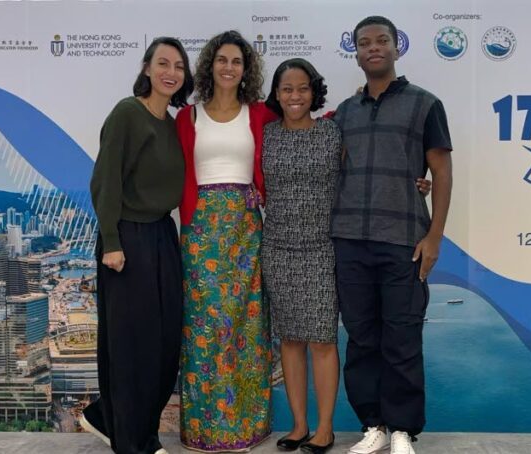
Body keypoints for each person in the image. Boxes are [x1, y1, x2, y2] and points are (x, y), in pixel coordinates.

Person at [330, 16, 453, 454]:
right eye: (364, 43)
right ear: (356, 52)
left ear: (396, 47)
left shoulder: (425, 104)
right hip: (349, 239)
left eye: (381, 40)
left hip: (404, 238)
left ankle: (402, 430)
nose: (373, 48)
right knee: (362, 338)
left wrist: (434, 237)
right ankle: (373, 426)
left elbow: (440, 170)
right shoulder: (345, 111)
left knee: (401, 337)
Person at [82, 37, 194, 454]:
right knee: (132, 346)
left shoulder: (172, 123)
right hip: (126, 238)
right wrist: (111, 241)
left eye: (179, 66)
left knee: (164, 346)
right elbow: (105, 180)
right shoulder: (127, 114)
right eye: (162, 63)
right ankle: (133, 443)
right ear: (147, 68)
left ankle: (105, 417)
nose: (171, 72)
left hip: (163, 235)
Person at [174, 30, 274, 453]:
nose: (229, 67)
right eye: (222, 60)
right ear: (209, 65)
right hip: (200, 232)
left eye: (237, 61)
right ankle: (204, 431)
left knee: (247, 329)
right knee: (203, 328)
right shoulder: (187, 118)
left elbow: (300, 132)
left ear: (246, 69)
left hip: (247, 231)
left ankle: (247, 429)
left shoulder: (261, 114)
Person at [261, 58, 341, 454]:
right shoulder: (266, 135)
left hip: (321, 249)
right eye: (287, 89)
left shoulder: (332, 133)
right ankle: (298, 426)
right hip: (276, 249)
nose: (295, 96)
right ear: (276, 94)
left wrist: (419, 182)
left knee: (322, 340)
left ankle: (325, 429)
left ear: (314, 92)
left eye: (303, 88)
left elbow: (363, 175)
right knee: (290, 339)